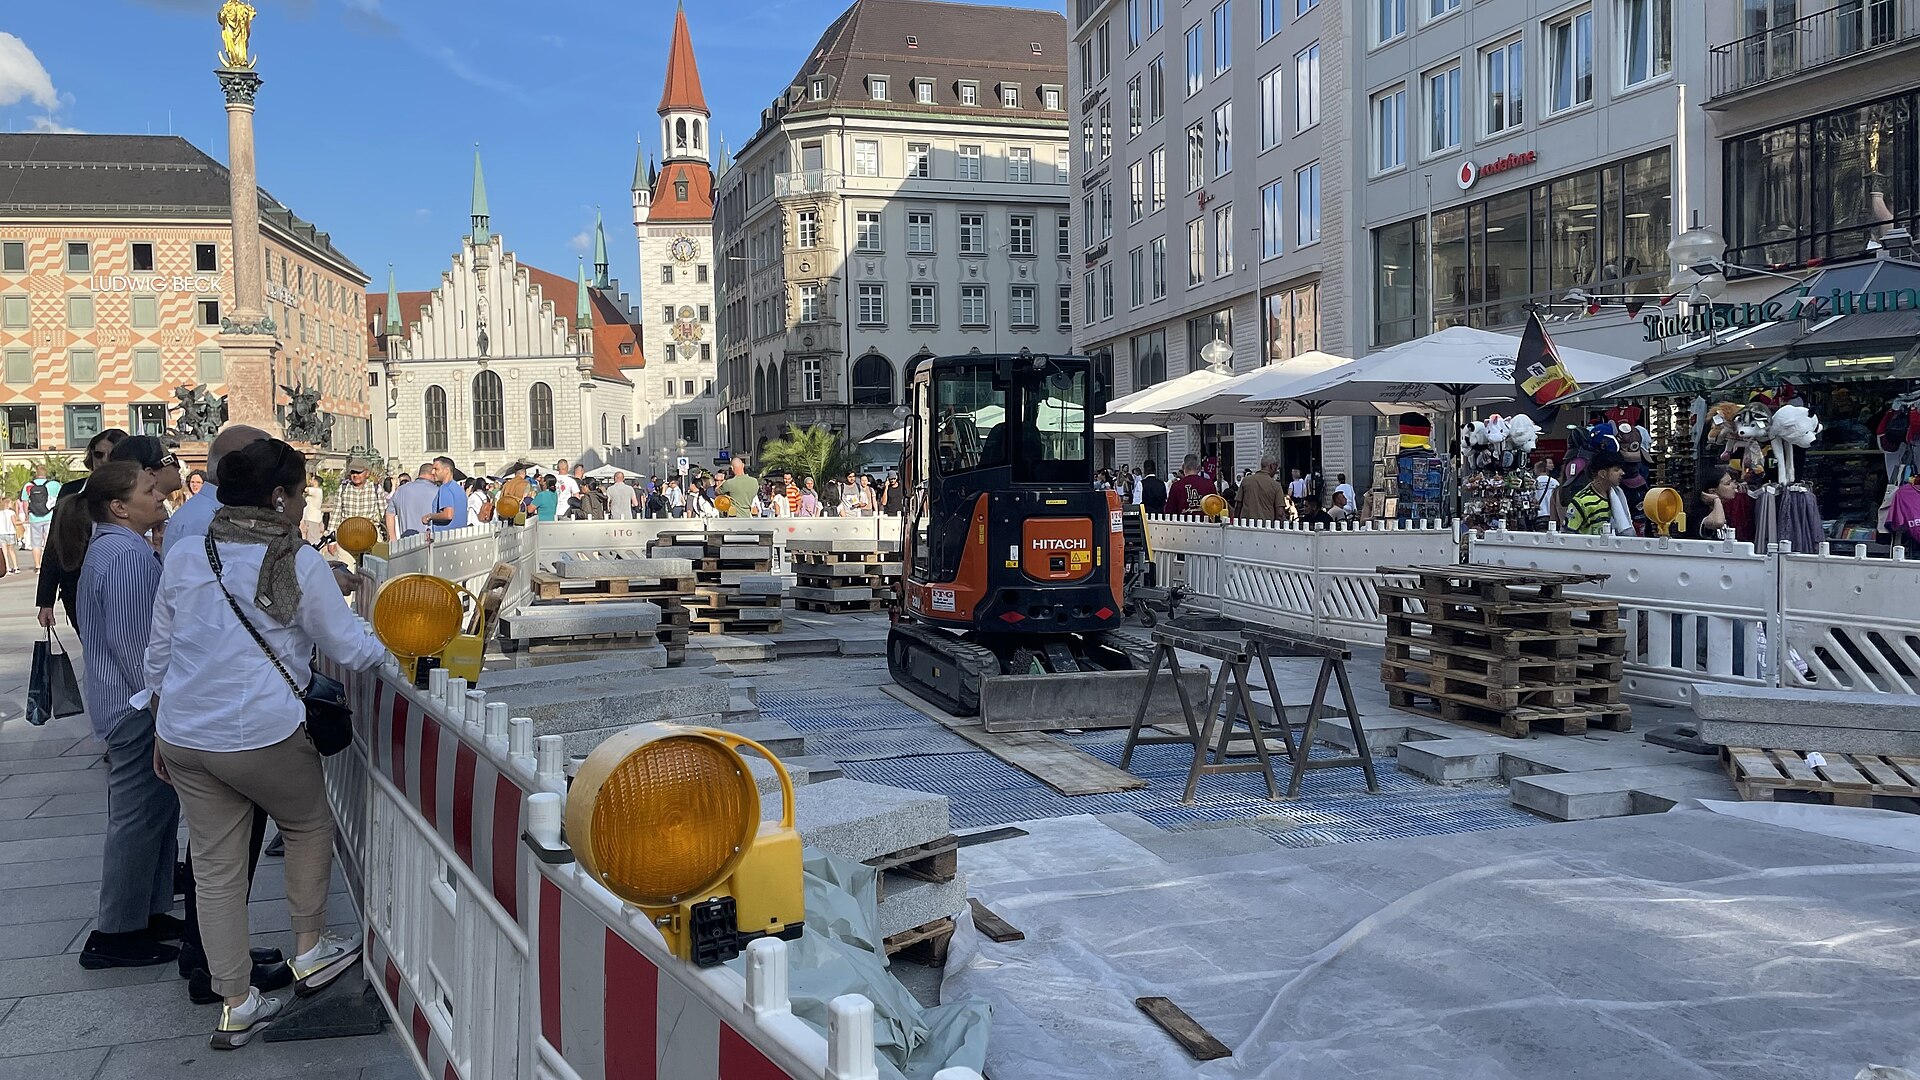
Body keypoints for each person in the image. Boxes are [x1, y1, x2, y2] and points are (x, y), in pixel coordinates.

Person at [148, 438, 388, 1048]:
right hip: (256, 729)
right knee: (308, 825)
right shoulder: (295, 560)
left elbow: (160, 650)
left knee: (216, 867)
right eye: (302, 491)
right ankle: (310, 949)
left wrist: (158, 718)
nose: (305, 501)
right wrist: (401, 654)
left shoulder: (186, 553)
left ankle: (235, 1001)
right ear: (278, 497)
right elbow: (346, 644)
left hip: (184, 731)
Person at [74, 463, 183, 970]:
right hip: (136, 706)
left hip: (131, 703)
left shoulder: (122, 549)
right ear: (119, 507)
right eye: (147, 490)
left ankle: (148, 911)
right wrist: (159, 705)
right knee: (138, 817)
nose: (158, 494)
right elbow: (138, 645)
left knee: (158, 815)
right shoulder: (123, 556)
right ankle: (115, 931)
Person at [39, 427, 128, 626]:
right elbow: (55, 544)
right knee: (91, 649)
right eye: (98, 454)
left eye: (111, 455)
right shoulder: (72, 492)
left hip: (122, 587)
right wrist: (46, 601)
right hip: (77, 588)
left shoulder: (134, 493)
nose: (104, 461)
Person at [1566, 450, 1634, 536]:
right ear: (1602, 473)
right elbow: (1568, 534)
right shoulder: (1582, 501)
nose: (1622, 473)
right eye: (1616, 470)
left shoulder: (1618, 495)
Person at [332, 458, 385, 539]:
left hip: (369, 532)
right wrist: (331, 538)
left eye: (359, 472)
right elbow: (335, 515)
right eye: (353, 472)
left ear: (367, 473)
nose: (355, 475)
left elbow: (383, 513)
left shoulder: (375, 488)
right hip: (348, 533)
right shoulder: (343, 488)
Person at [22, 463, 62, 572]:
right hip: (50, 516)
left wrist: (26, 516)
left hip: (34, 517)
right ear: (46, 473)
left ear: (36, 473)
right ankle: (50, 565)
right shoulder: (54, 484)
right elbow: (61, 500)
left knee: (36, 543)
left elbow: (25, 503)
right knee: (50, 541)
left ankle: (38, 566)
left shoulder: (28, 486)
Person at [385, 462, 439, 541]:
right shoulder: (437, 491)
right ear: (433, 473)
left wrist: (393, 538)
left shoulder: (401, 490)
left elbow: (389, 513)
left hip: (406, 541)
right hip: (429, 541)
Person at [1235, 454, 1287, 522]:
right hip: (1266, 526)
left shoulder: (1246, 481)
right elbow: (1279, 513)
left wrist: (1236, 521)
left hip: (1246, 526)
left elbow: (1238, 506)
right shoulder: (1276, 485)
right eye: (1276, 467)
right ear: (1271, 466)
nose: (1276, 471)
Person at [1530, 459, 1560, 532]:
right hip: (1553, 516)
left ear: (1537, 469)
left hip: (1539, 516)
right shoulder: (1555, 482)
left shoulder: (1533, 483)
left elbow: (1531, 499)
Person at [0, 495, 16, 575]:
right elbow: (14, 522)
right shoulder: (11, 512)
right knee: (12, 551)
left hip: (2, 533)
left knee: (4, 552)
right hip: (10, 532)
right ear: (7, 503)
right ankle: (15, 567)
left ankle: (7, 568)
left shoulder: (0, 513)